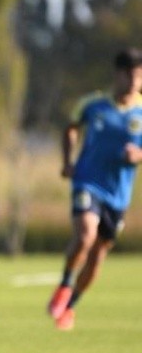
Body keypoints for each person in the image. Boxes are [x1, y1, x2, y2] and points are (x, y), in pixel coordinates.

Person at [46, 47, 142, 331]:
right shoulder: (93, 104)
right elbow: (71, 128)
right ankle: (64, 284)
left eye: (141, 77)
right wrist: (67, 162)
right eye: (133, 76)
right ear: (119, 75)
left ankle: (71, 306)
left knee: (98, 253)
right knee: (86, 234)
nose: (137, 82)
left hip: (118, 194)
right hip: (88, 181)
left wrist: (138, 155)